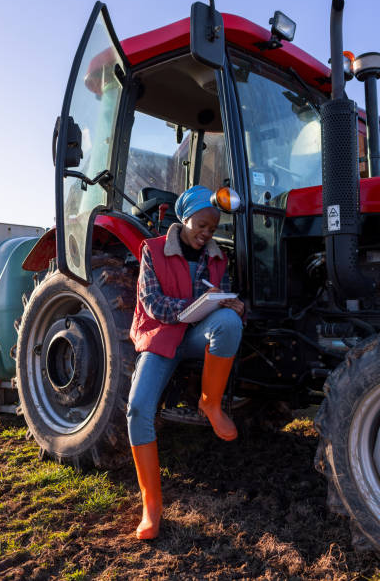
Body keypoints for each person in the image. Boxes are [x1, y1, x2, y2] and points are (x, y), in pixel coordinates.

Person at [128, 185, 245, 540]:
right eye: (202, 226)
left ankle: (210, 403)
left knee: (229, 322)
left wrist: (230, 304)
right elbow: (154, 305)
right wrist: (194, 306)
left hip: (194, 337)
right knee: (137, 409)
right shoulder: (153, 250)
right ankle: (152, 506)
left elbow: (221, 300)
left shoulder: (218, 257)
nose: (207, 234)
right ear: (185, 218)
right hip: (161, 335)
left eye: (212, 228)